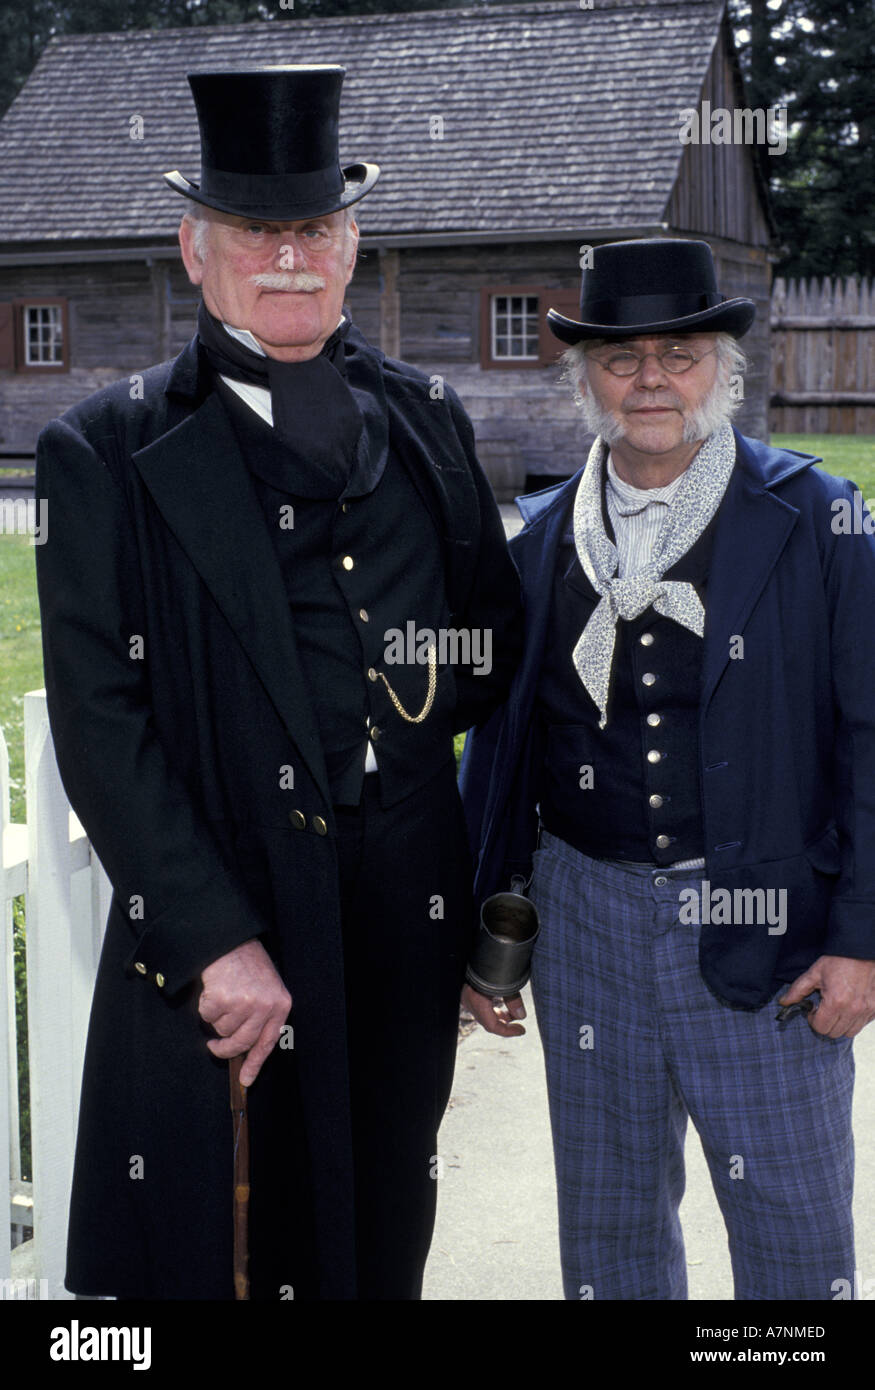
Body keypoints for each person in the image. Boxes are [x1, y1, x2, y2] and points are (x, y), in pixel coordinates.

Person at [35, 65, 521, 1301]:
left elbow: (489, 641)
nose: (288, 257)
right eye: (256, 230)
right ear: (196, 252)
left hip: (400, 903)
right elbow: (101, 718)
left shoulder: (424, 415)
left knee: (383, 1205)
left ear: (351, 245)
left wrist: (402, 728)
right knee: (227, 1242)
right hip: (230, 912)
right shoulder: (106, 448)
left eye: (312, 227)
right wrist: (212, 937)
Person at [460, 237, 875, 1300]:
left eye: (678, 354)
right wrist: (481, 922)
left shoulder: (818, 522)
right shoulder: (542, 536)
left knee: (790, 1237)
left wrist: (860, 939)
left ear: (720, 369)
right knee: (608, 1234)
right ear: (585, 378)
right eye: (619, 358)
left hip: (763, 920)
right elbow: (503, 747)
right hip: (584, 915)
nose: (649, 379)